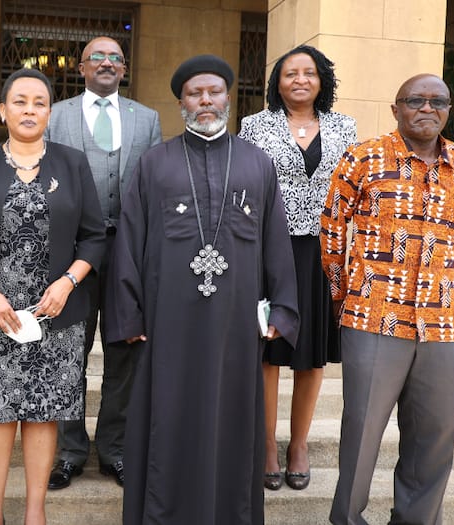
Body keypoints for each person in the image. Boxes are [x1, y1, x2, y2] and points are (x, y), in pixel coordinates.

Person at [105, 54, 299, 524]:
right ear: (180, 103)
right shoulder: (155, 164)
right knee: (167, 422)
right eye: (195, 93)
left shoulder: (258, 164)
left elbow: (276, 239)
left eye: (214, 92)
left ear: (228, 99)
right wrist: (128, 315)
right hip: (168, 324)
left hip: (235, 328)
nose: (206, 100)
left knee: (232, 427)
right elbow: (129, 238)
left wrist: (283, 310)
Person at [0, 68, 105, 525]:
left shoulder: (73, 163)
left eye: (39, 102)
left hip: (55, 314)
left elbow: (95, 237)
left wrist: (68, 281)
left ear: (50, 112)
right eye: (20, 101)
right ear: (2, 110)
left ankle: (36, 513)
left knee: (44, 414)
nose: (29, 110)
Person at [322, 74, 454, 525]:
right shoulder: (365, 157)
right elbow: (332, 229)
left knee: (433, 437)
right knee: (363, 431)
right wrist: (343, 295)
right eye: (415, 100)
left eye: (438, 101)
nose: (427, 108)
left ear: (449, 110)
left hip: (443, 321)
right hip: (373, 316)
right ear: (396, 109)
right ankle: (347, 519)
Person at [43, 35, 161, 489]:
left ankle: (115, 448)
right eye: (98, 57)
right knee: (68, 351)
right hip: (70, 257)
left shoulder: (147, 119)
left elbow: (155, 186)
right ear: (82, 66)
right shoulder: (59, 116)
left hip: (130, 253)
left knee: (124, 353)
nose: (107, 63)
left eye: (116, 57)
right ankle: (69, 450)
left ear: (124, 68)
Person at [238, 44, 357, 491]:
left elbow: (352, 192)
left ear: (322, 79)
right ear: (277, 82)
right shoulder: (254, 126)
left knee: (311, 353)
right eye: (290, 74)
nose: (300, 80)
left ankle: (299, 444)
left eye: (309, 73)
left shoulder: (346, 128)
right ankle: (267, 444)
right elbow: (244, 187)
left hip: (324, 253)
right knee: (269, 349)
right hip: (268, 249)